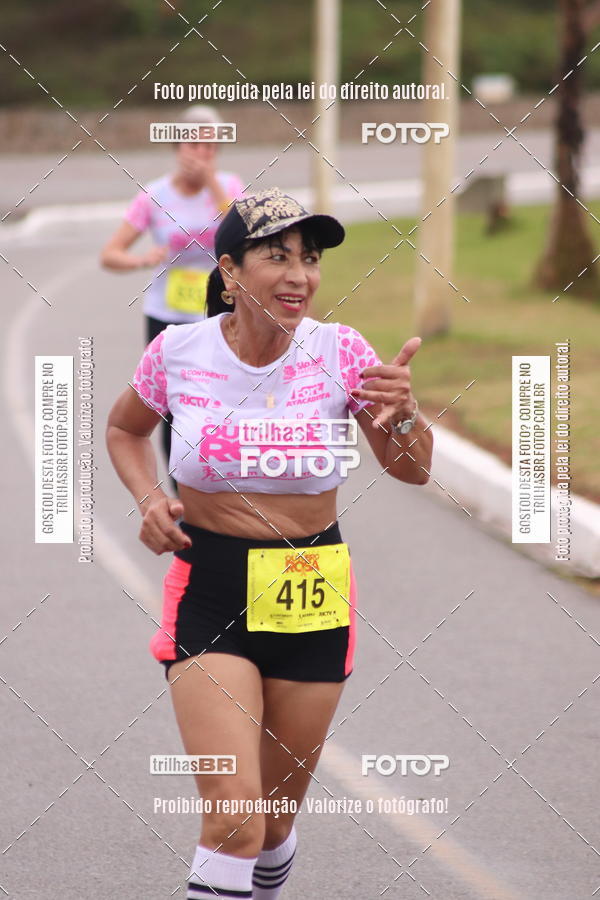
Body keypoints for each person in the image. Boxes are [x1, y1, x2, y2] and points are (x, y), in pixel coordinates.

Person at [106, 187, 433, 900]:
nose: (299, 275)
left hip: (310, 590)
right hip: (212, 585)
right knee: (234, 824)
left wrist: (405, 415)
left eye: (309, 259)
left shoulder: (342, 352)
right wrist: (149, 497)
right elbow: (124, 428)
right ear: (229, 271)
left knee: (274, 827)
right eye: (275, 256)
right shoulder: (179, 351)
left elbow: (412, 470)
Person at [101, 104, 245, 472]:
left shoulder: (229, 187)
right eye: (195, 145)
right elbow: (110, 254)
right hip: (166, 316)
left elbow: (246, 234)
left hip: (220, 312)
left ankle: (220, 484)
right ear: (178, 147)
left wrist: (212, 184)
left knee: (220, 399)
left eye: (211, 148)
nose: (203, 154)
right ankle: (183, 493)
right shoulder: (154, 196)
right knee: (171, 407)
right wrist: (143, 259)